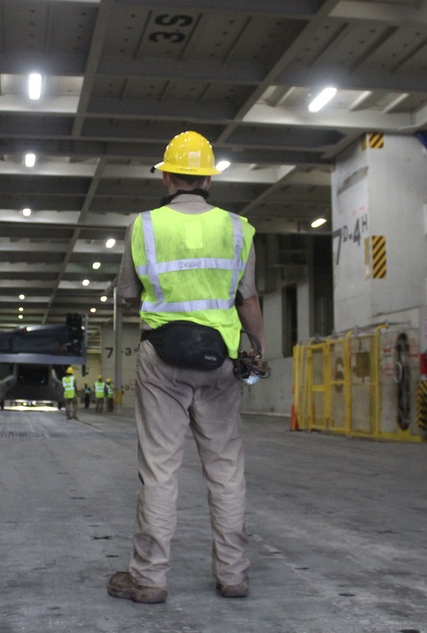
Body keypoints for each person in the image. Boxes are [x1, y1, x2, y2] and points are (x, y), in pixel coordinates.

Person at [107, 131, 265, 604]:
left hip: (163, 359)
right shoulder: (239, 229)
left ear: (169, 176)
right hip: (222, 358)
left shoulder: (145, 225)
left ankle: (150, 578)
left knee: (160, 469)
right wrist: (254, 352)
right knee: (225, 467)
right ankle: (234, 575)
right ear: (209, 181)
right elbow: (249, 299)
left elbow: (128, 294)